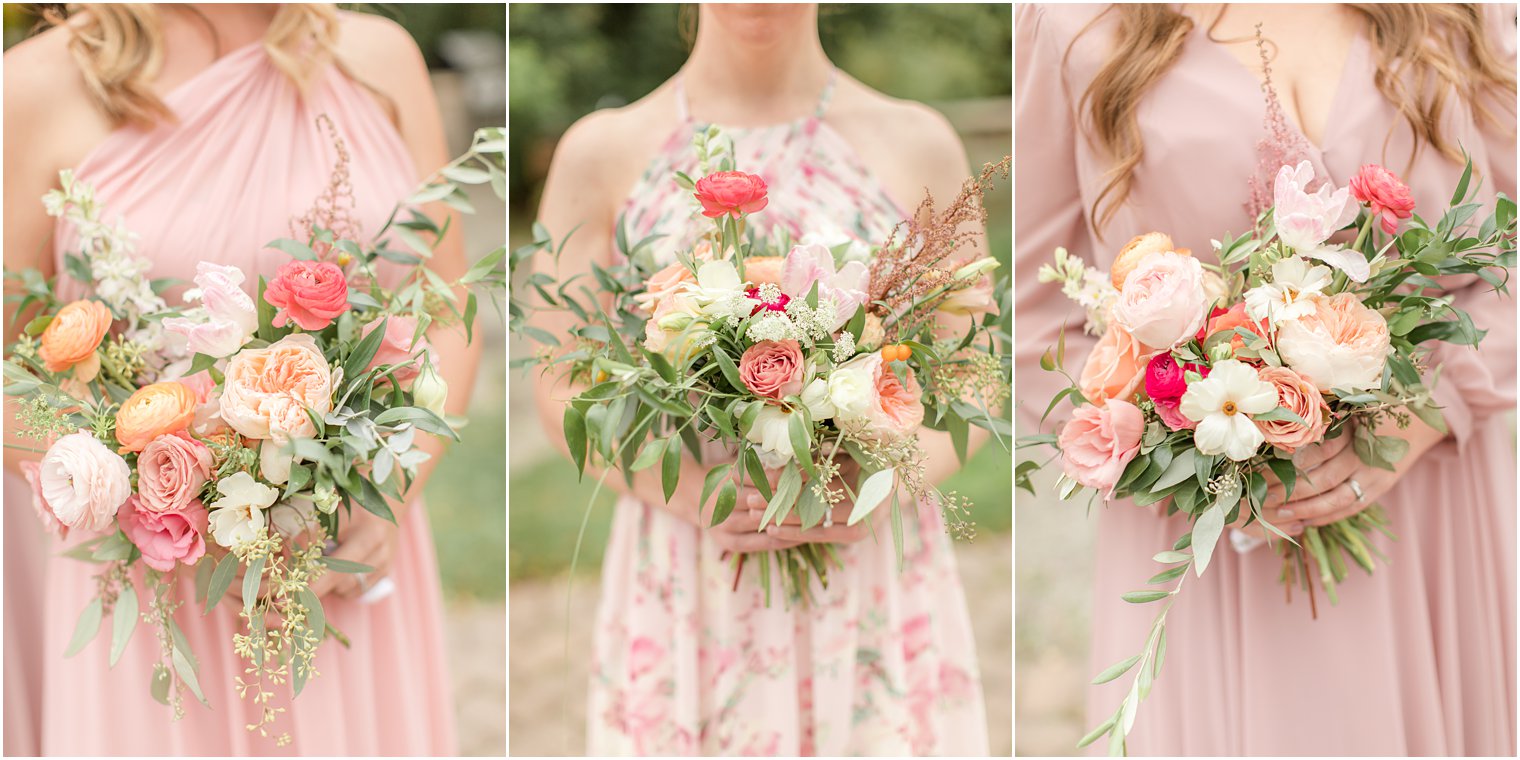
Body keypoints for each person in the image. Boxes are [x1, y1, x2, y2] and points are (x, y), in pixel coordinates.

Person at [1016, 3, 1516, 755]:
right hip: (1211, 536)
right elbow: (1035, 312)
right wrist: (1177, 458)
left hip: (1429, 501)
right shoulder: (1078, 23)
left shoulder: (1460, 13)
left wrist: (1432, 408)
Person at [3, 4, 476, 754]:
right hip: (158, 585)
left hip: (344, 557)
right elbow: (8, 375)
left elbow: (448, 308)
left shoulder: (378, 56)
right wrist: (161, 495)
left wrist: (392, 486)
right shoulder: (35, 86)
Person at [533, 4, 991, 755]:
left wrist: (877, 492)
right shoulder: (603, 150)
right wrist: (689, 497)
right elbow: (557, 380)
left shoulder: (918, 140)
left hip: (868, 560)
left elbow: (977, 370)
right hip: (691, 562)